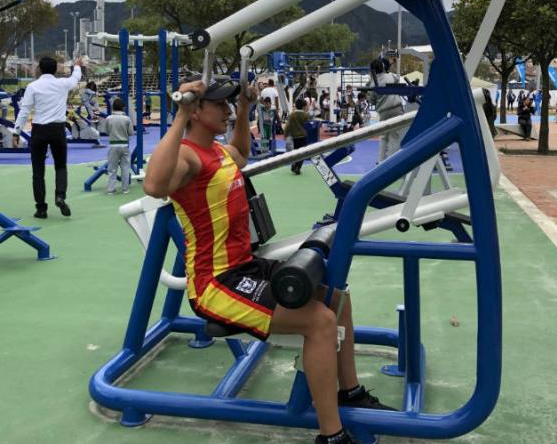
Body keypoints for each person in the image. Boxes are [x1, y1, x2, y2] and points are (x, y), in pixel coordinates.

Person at [143, 77, 393, 444]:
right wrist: (180, 113)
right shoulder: (187, 155)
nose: (226, 110)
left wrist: (245, 107)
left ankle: (351, 392)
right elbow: (154, 187)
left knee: (337, 298)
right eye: (220, 105)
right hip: (216, 284)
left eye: (229, 105)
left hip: (246, 265)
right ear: (197, 111)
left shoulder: (219, 152)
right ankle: (331, 436)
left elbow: (242, 152)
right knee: (320, 321)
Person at [13, 56, 83, 219]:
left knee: (38, 171)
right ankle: (60, 196)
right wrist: (77, 66)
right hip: (58, 129)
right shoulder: (62, 84)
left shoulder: (32, 86)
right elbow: (75, 79)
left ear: (40, 69)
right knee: (60, 166)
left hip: (39, 130)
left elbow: (25, 110)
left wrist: (16, 132)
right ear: (56, 70)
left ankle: (41, 208)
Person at [369, 58, 405, 161]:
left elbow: (371, 100)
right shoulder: (390, 76)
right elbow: (397, 79)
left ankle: (381, 161)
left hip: (383, 111)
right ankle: (393, 162)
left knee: (383, 137)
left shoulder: (372, 83)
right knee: (395, 135)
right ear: (383, 67)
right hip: (396, 108)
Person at [103, 97, 134, 195]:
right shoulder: (127, 119)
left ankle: (111, 189)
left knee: (112, 168)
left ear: (113, 107)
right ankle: (125, 189)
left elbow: (106, 131)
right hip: (124, 145)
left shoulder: (108, 118)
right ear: (123, 108)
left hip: (113, 145)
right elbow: (131, 133)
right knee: (125, 168)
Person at [284, 98, 310, 174]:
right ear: (304, 106)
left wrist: (285, 134)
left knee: (295, 151)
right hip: (303, 136)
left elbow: (288, 125)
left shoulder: (292, 114)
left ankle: (294, 164)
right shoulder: (305, 115)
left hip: (294, 136)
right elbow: (308, 124)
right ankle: (298, 167)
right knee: (303, 152)